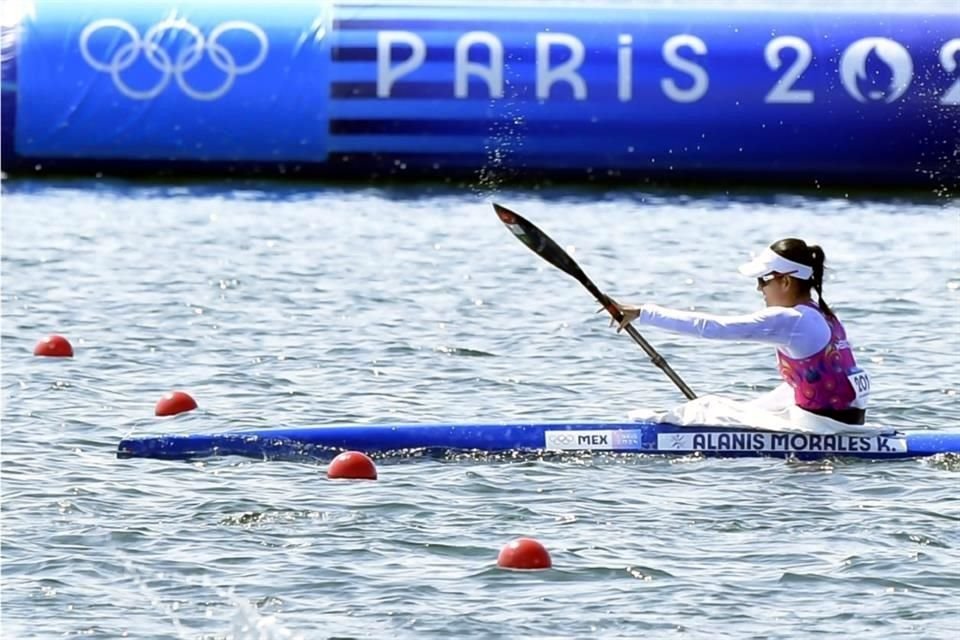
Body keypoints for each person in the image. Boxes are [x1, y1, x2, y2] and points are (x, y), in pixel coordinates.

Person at [612, 238, 871, 425]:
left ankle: (652, 429)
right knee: (753, 404)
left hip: (823, 426)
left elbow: (712, 329)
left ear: (786, 280)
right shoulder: (823, 313)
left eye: (762, 280)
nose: (759, 289)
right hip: (846, 418)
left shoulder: (791, 319)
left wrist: (643, 312)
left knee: (706, 407)